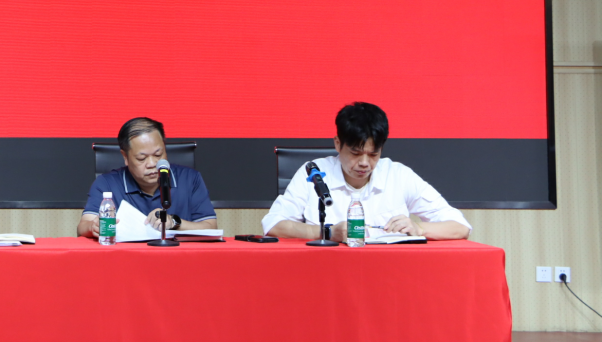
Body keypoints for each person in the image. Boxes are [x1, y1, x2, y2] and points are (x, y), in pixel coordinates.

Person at [263, 102, 471, 241]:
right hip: (326, 270)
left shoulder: (398, 175)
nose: (364, 163)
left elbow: (460, 226)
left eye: (373, 154)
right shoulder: (314, 173)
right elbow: (273, 225)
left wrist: (420, 229)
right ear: (338, 144)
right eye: (355, 153)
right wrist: (327, 232)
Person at [78, 117, 218, 238]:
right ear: (125, 156)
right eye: (142, 158)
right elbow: (83, 227)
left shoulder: (189, 179)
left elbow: (211, 227)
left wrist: (174, 222)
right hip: (126, 257)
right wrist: (93, 227)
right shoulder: (106, 184)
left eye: (158, 155)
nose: (152, 164)